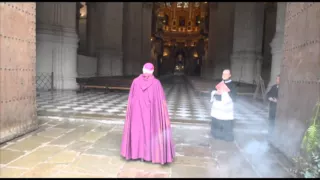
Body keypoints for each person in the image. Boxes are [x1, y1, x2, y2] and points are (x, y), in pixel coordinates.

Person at [121, 62, 175, 165]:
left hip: (137, 112)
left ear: (143, 70)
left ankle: (136, 153)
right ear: (153, 71)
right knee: (151, 130)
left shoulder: (135, 82)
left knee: (137, 130)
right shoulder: (156, 83)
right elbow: (161, 102)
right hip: (152, 114)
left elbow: (131, 99)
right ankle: (149, 155)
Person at [210, 69, 237, 142]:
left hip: (226, 108)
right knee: (217, 120)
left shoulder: (232, 85)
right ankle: (217, 135)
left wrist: (224, 93)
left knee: (226, 122)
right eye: (223, 74)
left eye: (226, 74)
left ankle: (227, 137)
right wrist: (215, 92)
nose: (224, 75)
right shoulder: (221, 82)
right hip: (218, 107)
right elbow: (214, 91)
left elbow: (233, 96)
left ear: (229, 75)